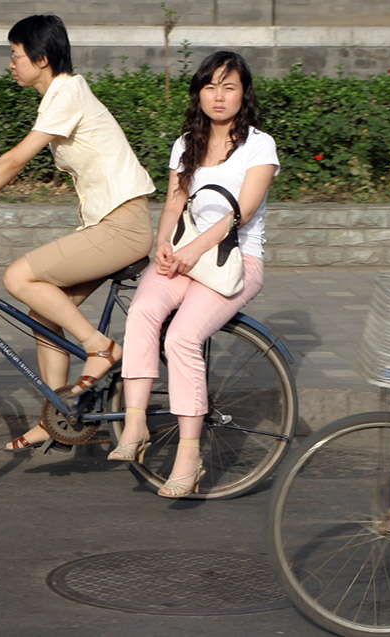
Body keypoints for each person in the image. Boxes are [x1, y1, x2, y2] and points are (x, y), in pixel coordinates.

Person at [0, 15, 155, 452]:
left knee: (18, 277)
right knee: (44, 316)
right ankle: (57, 418)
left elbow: (15, 160)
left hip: (122, 226)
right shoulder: (62, 94)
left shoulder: (67, 92)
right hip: (110, 225)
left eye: (16, 56)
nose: (11, 65)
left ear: (42, 59)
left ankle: (102, 348)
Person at [111, 51, 279, 498]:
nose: (219, 96)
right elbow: (172, 203)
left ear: (244, 93)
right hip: (184, 257)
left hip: (235, 262)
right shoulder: (187, 142)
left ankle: (189, 455)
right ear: (199, 93)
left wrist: (190, 252)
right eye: (210, 86)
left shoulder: (259, 146)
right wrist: (164, 244)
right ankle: (135, 426)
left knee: (182, 337)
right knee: (143, 309)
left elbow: (239, 215)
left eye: (229, 87)